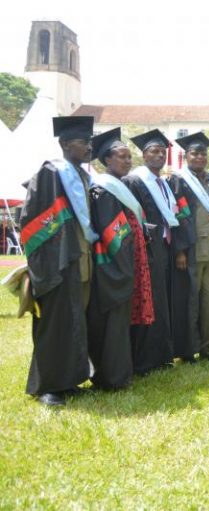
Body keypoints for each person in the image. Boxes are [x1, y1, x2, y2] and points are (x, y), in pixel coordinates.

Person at [20, 116, 96, 406]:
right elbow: (32, 219)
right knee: (54, 323)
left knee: (75, 321)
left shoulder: (82, 176)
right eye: (82, 142)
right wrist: (53, 259)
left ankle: (70, 379)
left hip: (81, 259)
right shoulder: (51, 174)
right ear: (65, 144)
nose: (89, 146)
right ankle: (48, 386)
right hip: (58, 261)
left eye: (90, 141)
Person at [87, 127, 154, 389]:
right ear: (106, 160)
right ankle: (113, 377)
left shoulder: (119, 187)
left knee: (123, 321)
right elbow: (110, 234)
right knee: (113, 322)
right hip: (114, 267)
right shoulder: (103, 191)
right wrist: (124, 268)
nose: (128, 161)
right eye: (122, 156)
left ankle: (122, 371)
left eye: (129, 157)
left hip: (129, 262)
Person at [124, 129, 176, 375]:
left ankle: (162, 355)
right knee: (148, 302)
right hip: (146, 250)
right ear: (143, 154)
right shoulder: (134, 181)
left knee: (162, 302)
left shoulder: (164, 183)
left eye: (162, 152)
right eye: (153, 151)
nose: (159, 156)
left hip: (163, 248)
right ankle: (144, 359)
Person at [167, 131, 209, 362]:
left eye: (203, 153)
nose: (199, 157)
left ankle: (208, 348)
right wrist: (179, 250)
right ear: (186, 155)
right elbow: (176, 216)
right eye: (194, 153)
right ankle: (189, 350)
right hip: (191, 251)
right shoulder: (178, 180)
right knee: (190, 301)